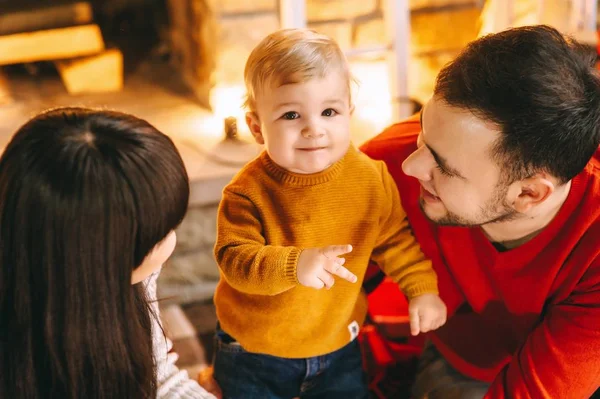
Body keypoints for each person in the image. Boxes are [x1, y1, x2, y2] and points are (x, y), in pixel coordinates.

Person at [360, 25, 600, 398]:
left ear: (529, 194)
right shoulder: (381, 164)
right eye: (422, 132)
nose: (410, 166)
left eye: (443, 166)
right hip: (464, 359)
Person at [211, 28, 446, 398]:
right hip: (254, 351)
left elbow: (395, 240)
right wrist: (294, 265)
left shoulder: (370, 178)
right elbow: (235, 261)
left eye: (329, 111)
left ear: (348, 113)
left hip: (338, 344)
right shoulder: (248, 192)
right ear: (257, 127)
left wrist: (422, 290)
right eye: (291, 114)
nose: (313, 128)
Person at [0, 107, 216, 399]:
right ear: (100, 258)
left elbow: (158, 376)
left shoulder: (127, 278)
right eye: (161, 233)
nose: (171, 239)